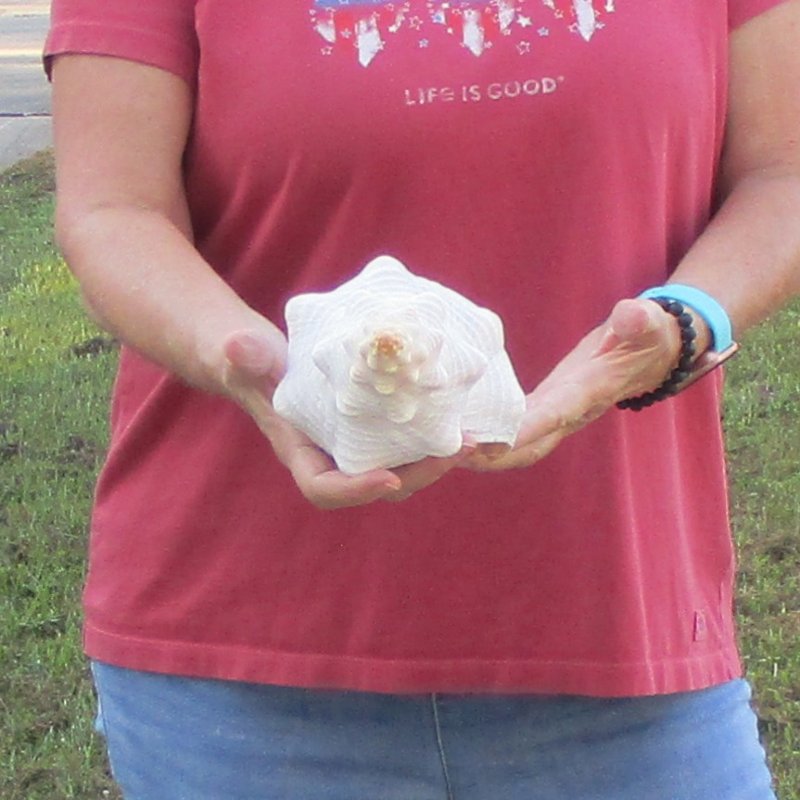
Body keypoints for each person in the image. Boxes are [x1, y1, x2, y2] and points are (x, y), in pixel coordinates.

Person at [45, 0, 800, 797]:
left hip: (620, 632)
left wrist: (687, 320)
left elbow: (781, 176)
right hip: (242, 661)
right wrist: (246, 361)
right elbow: (113, 210)